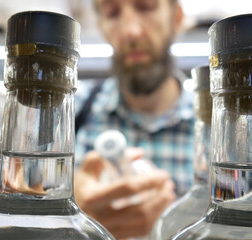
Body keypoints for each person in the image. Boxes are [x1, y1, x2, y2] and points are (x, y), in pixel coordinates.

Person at [74, 0, 195, 239]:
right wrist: (72, 216)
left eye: (146, 7)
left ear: (176, 18)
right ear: (101, 26)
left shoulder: (218, 127)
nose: (131, 31)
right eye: (112, 13)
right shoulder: (71, 113)